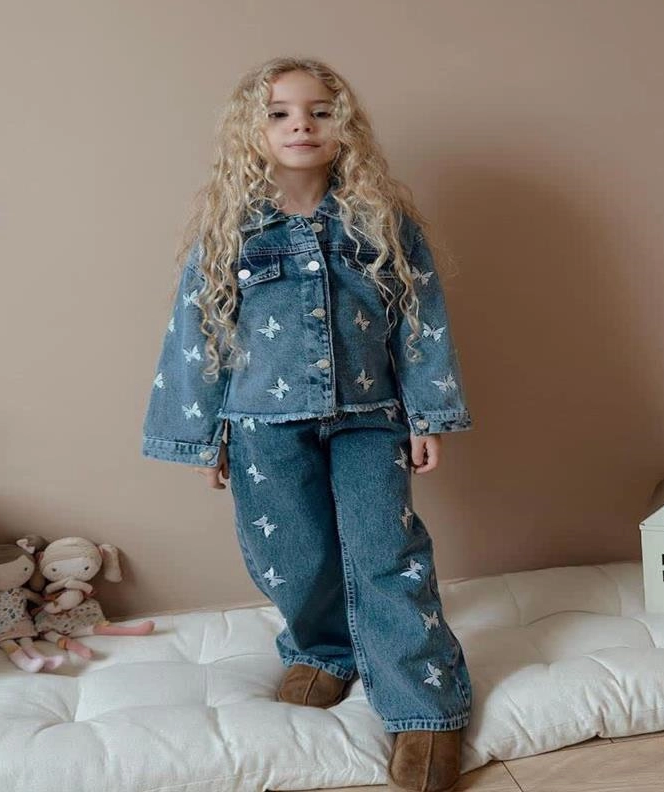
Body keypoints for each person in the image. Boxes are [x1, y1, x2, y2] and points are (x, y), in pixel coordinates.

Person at [141, 56, 474, 792]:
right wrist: (204, 435)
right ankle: (323, 651)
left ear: (343, 125)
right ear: (252, 131)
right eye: (280, 113)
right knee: (291, 556)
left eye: (320, 111)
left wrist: (428, 413)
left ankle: (425, 709)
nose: (301, 125)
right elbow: (197, 334)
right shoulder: (230, 231)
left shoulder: (380, 223)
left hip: (370, 418)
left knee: (387, 553)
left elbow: (420, 322)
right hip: (261, 424)